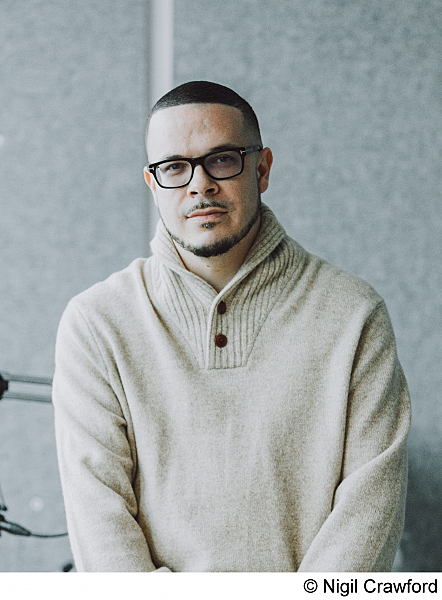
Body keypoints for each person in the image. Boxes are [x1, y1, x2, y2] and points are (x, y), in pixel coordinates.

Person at [52, 80, 411, 572]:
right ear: (153, 184)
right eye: (174, 167)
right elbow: (102, 530)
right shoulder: (97, 324)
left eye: (222, 159)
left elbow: (370, 515)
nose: (199, 185)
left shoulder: (353, 314)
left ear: (262, 169)